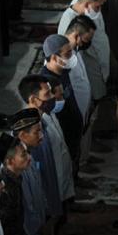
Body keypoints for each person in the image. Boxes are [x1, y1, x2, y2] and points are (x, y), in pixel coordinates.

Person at [18, 75, 74, 209]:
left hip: (59, 185)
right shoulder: (26, 130)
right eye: (47, 93)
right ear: (33, 99)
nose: (52, 97)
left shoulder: (47, 115)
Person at [40, 35, 84, 179]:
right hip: (62, 134)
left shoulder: (63, 71)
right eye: (67, 54)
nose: (71, 57)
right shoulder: (45, 82)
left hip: (73, 129)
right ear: (53, 57)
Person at [63, 15, 100, 175]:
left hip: (81, 111)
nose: (86, 43)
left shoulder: (74, 50)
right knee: (71, 151)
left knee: (77, 147)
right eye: (85, 39)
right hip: (71, 113)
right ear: (77, 36)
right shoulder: (62, 55)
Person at [9, 108, 47, 235]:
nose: (41, 136)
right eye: (37, 132)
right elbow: (27, 206)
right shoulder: (17, 165)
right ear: (23, 135)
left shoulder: (28, 153)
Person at [0, 135, 27, 235]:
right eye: (23, 155)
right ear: (9, 161)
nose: (28, 158)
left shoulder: (16, 177)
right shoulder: (3, 190)